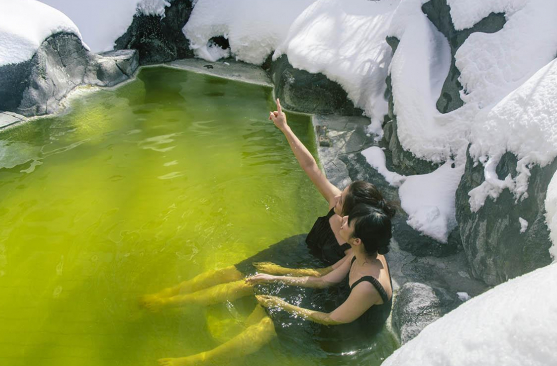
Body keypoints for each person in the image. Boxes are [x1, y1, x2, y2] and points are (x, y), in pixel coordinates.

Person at [139, 98, 388, 308]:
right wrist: (285, 127)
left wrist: (277, 272)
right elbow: (311, 166)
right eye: (340, 192)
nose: (335, 196)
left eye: (342, 199)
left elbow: (324, 276)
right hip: (298, 247)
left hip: (307, 271)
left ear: (353, 216)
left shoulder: (355, 245)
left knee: (241, 286)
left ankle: (168, 305)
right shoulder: (337, 205)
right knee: (231, 271)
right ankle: (168, 293)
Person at [157, 202, 396, 366]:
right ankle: (230, 335)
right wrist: (275, 277)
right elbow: (324, 280)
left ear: (356, 239)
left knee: (269, 323)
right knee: (265, 297)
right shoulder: (360, 252)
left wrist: (282, 305)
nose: (341, 220)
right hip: (338, 301)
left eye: (348, 222)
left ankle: (202, 359)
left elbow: (332, 319)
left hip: (346, 332)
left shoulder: (368, 285)